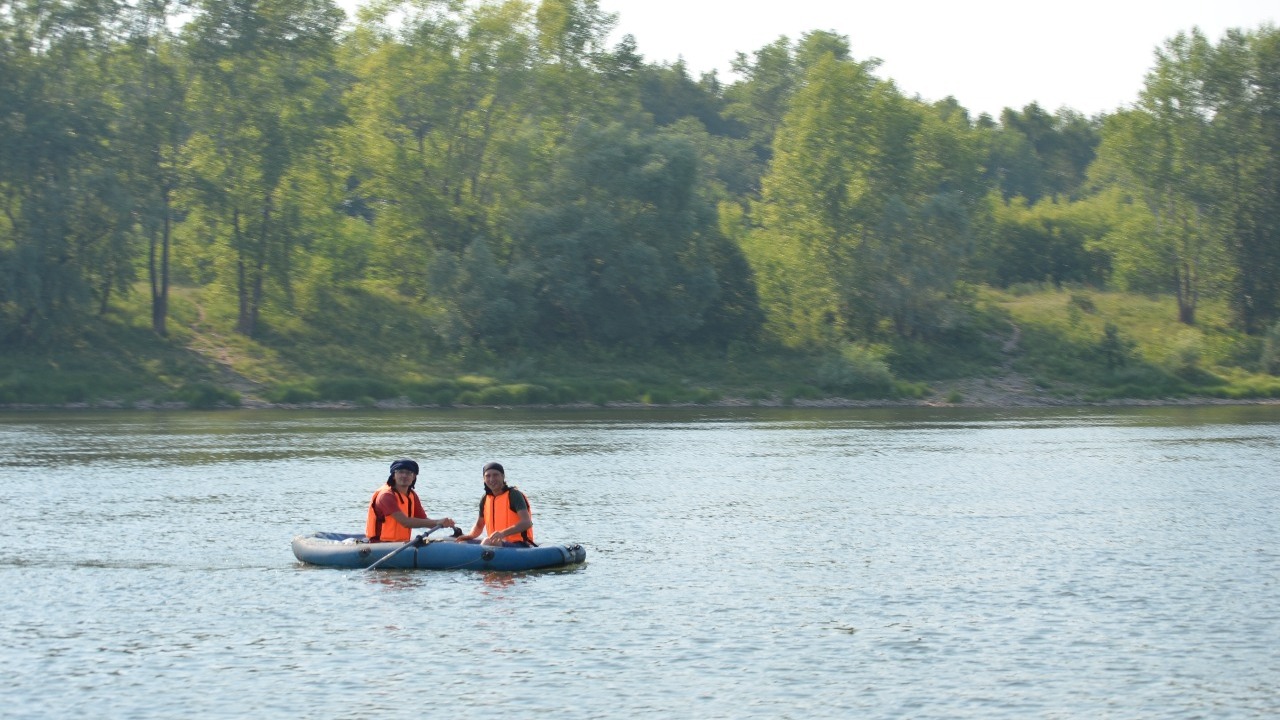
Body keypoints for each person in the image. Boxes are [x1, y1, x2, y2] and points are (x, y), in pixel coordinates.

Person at [365, 459, 455, 543]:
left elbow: (424, 520)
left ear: (414, 477)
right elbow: (405, 522)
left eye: (409, 473)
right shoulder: (386, 496)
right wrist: (436, 522)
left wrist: (443, 523)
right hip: (379, 544)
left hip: (400, 544)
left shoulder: (412, 495)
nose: (404, 475)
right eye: (400, 472)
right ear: (393, 475)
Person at [456, 461, 536, 547]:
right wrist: (469, 536)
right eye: (488, 476)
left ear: (503, 476)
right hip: (497, 543)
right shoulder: (485, 498)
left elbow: (527, 522)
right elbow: (479, 526)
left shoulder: (514, 495)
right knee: (462, 543)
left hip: (520, 545)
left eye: (495, 475)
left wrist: (502, 533)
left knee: (488, 541)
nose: (491, 479)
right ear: (484, 479)